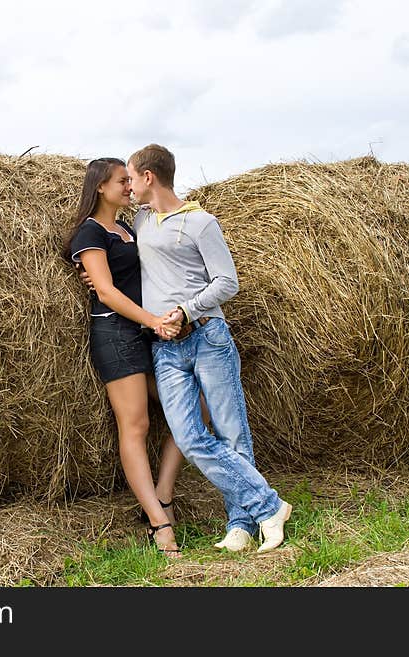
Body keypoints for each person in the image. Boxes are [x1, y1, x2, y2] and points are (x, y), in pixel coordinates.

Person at [124, 143, 293, 553]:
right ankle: (269, 505)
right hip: (165, 348)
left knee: (232, 431)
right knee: (188, 434)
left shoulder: (201, 223)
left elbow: (226, 282)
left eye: (131, 177)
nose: (128, 186)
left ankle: (241, 524)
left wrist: (185, 308)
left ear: (150, 177)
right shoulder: (141, 220)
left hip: (207, 336)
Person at [61, 157, 188, 557]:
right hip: (116, 335)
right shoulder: (90, 233)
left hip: (145, 333)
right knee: (136, 424)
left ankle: (164, 493)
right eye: (122, 181)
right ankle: (158, 522)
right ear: (100, 186)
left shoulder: (128, 229)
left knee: (192, 409)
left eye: (129, 181)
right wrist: (153, 321)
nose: (128, 187)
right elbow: (106, 292)